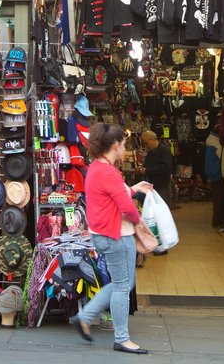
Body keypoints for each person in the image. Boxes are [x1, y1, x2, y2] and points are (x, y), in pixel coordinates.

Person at [71, 122, 152, 355]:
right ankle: (122, 338)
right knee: (122, 287)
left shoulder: (96, 168)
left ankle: (84, 317)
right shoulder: (110, 172)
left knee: (123, 284)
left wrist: (133, 188)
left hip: (103, 234)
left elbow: (113, 195)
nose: (125, 149)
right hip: (116, 235)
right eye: (124, 145)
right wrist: (140, 222)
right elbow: (127, 207)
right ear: (115, 146)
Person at [141, 130, 173, 207]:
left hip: (162, 187)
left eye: (146, 143)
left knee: (162, 211)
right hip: (153, 187)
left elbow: (164, 167)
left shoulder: (165, 151)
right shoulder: (151, 152)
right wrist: (143, 169)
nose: (145, 146)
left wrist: (147, 170)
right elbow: (148, 165)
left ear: (153, 139)